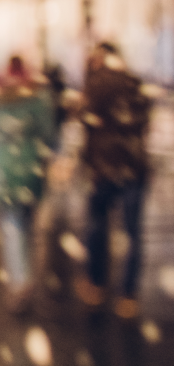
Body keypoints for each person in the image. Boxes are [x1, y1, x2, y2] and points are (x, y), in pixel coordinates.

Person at [75, 43, 152, 318]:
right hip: (134, 167)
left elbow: (87, 127)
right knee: (132, 233)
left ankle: (96, 284)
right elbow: (142, 124)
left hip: (103, 169)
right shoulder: (135, 84)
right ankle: (128, 295)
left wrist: (85, 162)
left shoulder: (94, 86)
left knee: (97, 227)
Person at [0, 56, 57, 313]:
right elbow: (51, 135)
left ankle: (20, 282)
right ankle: (26, 276)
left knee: (11, 226)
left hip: (2, 169)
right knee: (27, 223)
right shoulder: (38, 97)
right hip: (30, 167)